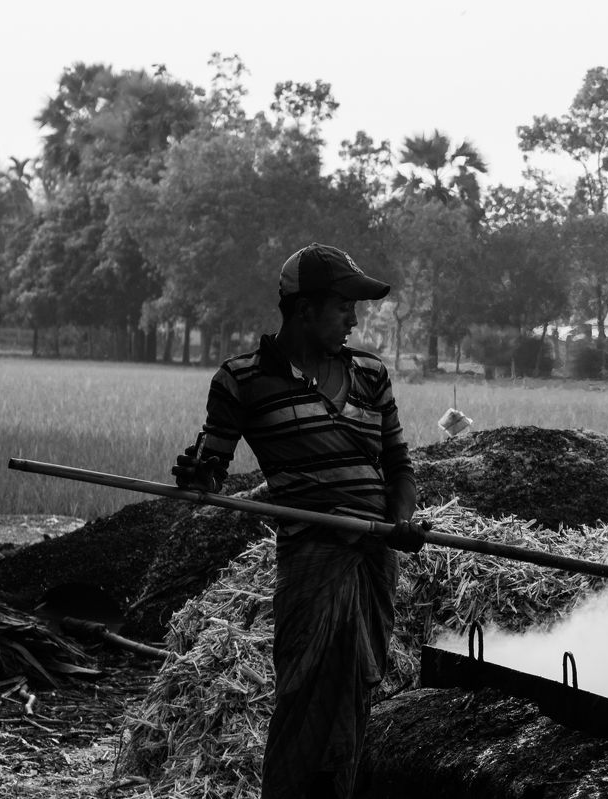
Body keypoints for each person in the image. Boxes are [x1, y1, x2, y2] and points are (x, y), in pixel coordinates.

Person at [172, 243, 428, 799]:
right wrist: (196, 477)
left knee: (356, 690)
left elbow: (398, 466)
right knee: (304, 690)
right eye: (343, 307)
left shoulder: (370, 374)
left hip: (374, 558)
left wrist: (402, 522)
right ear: (305, 309)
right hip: (313, 562)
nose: (353, 320)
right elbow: (210, 468)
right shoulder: (242, 381)